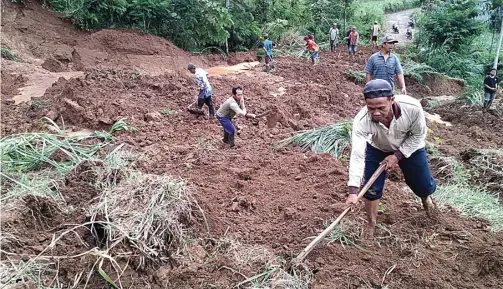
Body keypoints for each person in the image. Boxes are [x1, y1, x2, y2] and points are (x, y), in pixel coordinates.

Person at [345, 79, 437, 237]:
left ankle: (425, 198)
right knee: (371, 188)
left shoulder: (412, 108)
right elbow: (358, 155)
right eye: (371, 108)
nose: (376, 113)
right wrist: (353, 191)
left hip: (410, 146)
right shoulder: (361, 121)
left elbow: (419, 135)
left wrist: (397, 155)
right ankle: (371, 224)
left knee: (422, 183)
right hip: (378, 147)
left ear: (392, 100)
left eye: (381, 107)